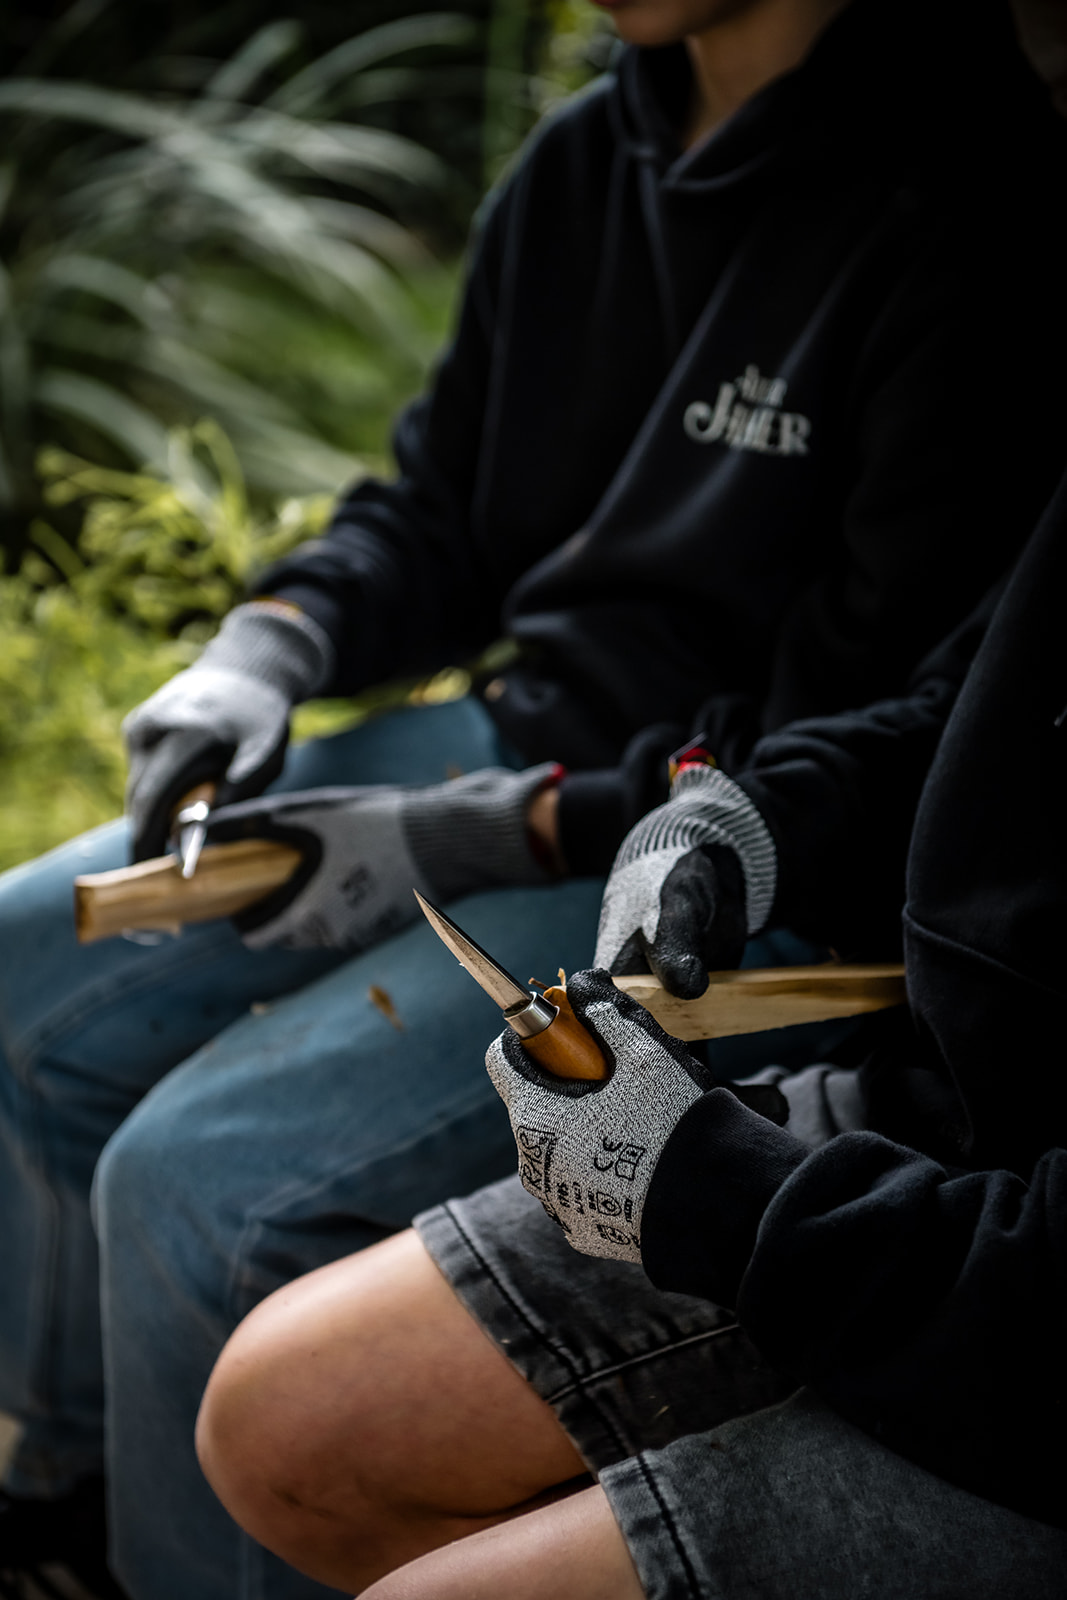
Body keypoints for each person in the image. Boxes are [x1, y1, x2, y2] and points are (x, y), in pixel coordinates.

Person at [1, 0, 1065, 1594]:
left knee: (200, 1188)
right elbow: (437, 506)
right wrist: (272, 643)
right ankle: (65, 1505)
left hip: (696, 868)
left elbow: (871, 723)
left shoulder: (973, 210)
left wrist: (481, 833)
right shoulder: (584, 158)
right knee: (23, 958)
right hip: (518, 747)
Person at [195, 457, 1067, 1599]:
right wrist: (748, 816)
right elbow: (972, 703)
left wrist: (718, 1192)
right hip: (933, 1115)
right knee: (275, 1413)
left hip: (1026, 1331)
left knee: (201, 1182)